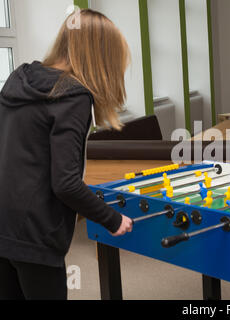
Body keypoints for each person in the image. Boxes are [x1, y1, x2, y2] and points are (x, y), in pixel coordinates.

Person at [0, 9, 133, 300]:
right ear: (100, 56)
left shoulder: (17, 79)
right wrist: (112, 219)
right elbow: (66, 183)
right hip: (36, 235)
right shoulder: (73, 95)